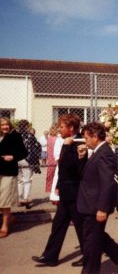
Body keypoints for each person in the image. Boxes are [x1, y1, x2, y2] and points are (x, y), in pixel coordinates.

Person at [77, 122, 118, 274]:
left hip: (95, 205)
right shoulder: (97, 151)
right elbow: (87, 175)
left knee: (91, 243)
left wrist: (102, 208)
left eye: (87, 138)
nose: (85, 141)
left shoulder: (105, 153)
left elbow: (107, 183)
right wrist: (82, 158)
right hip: (90, 203)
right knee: (95, 237)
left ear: (95, 137)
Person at [32, 114, 84, 266]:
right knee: (58, 225)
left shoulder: (79, 142)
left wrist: (68, 147)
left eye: (61, 127)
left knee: (81, 227)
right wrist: (58, 186)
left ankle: (89, 255)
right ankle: (50, 256)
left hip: (75, 192)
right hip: (66, 190)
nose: (59, 129)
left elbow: (74, 167)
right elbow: (62, 168)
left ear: (71, 128)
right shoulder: (67, 141)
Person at [0, 118, 27, 238]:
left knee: (5, 200)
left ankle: (5, 226)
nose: (5, 127)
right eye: (2, 125)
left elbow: (24, 153)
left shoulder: (15, 136)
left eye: (7, 124)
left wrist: (13, 157)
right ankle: (10, 218)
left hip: (8, 171)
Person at [17, 119, 41, 208]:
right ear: (27, 126)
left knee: (19, 180)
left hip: (16, 159)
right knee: (27, 179)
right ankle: (25, 199)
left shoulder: (15, 135)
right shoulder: (30, 136)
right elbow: (36, 146)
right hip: (27, 159)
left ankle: (19, 199)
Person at [45, 124, 57, 193]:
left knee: (50, 175)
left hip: (50, 159)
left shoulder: (49, 139)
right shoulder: (57, 139)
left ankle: (50, 189)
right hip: (55, 158)